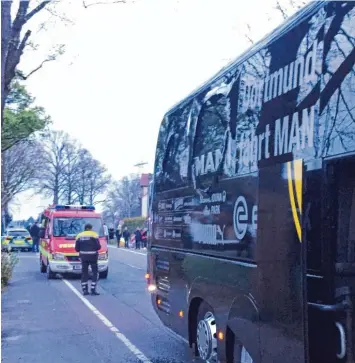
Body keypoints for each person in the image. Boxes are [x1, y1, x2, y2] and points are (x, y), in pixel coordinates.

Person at [75, 223, 101, 296]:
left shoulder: (79, 235)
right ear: (90, 228)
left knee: (84, 273)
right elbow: (98, 247)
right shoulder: (94, 235)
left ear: (85, 228)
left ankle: (85, 290)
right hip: (93, 257)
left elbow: (77, 249)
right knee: (94, 273)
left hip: (83, 257)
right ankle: (93, 290)